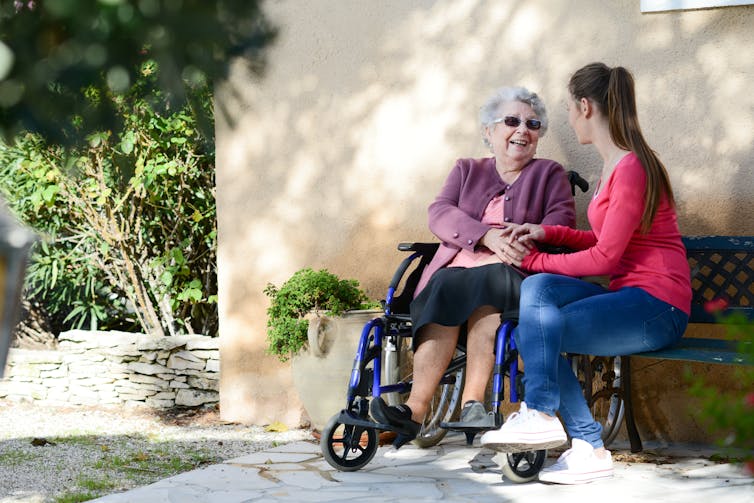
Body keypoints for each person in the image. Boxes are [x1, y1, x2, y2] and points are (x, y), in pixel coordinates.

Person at [479, 63, 692, 485]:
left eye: (570, 110)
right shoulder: (614, 168)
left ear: (584, 106)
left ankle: (562, 427)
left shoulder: (632, 168)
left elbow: (605, 259)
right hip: (628, 299)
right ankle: (569, 433)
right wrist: (545, 233)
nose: (570, 119)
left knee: (537, 325)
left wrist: (533, 259)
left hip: (657, 307)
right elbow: (600, 238)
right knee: (537, 298)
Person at [370, 86, 576, 446]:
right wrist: (485, 237)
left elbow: (562, 218)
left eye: (532, 123)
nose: (522, 130)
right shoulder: (467, 169)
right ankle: (414, 411)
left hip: (513, 272)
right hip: (459, 270)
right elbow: (440, 212)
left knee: (489, 285)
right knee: (448, 285)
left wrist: (522, 239)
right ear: (488, 131)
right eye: (511, 121)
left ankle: (472, 404)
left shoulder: (549, 173)